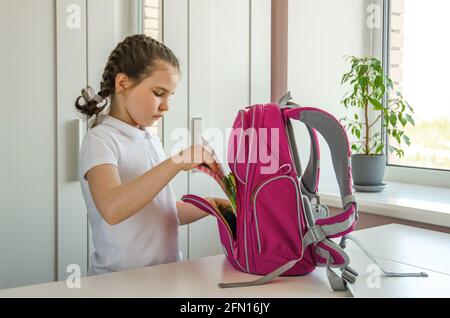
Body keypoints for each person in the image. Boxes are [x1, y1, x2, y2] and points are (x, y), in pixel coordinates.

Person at [76, 34, 230, 275]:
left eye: (170, 96)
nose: (166, 105)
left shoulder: (149, 139)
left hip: (164, 275)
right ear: (123, 83)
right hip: (119, 284)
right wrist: (176, 162)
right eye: (159, 93)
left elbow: (159, 211)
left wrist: (211, 205)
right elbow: (113, 208)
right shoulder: (100, 139)